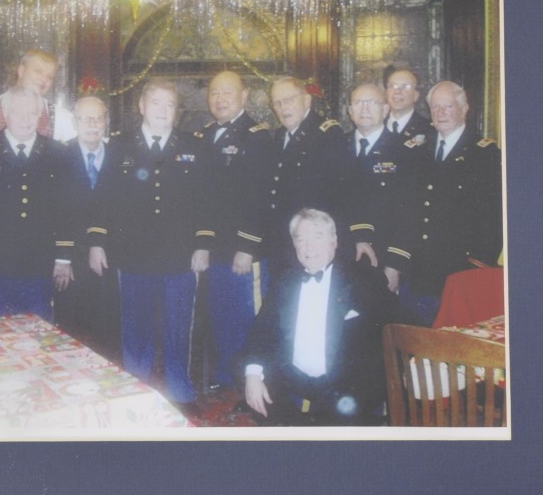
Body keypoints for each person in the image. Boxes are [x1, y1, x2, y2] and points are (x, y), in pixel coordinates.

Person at [87, 78, 212, 405]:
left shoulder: (193, 146)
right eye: (155, 103)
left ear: (176, 111)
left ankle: (178, 384)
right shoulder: (119, 146)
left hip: (179, 256)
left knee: (178, 327)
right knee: (136, 327)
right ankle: (135, 385)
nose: (162, 111)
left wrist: (202, 244)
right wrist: (98, 242)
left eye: (169, 105)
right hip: (133, 255)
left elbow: (205, 199)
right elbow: (104, 198)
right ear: (142, 107)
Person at [240, 209, 402, 426]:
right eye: (301, 240)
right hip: (295, 378)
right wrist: (252, 376)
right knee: (248, 376)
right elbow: (262, 329)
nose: (309, 247)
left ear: (334, 242)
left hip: (344, 387)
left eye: (317, 237)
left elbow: (403, 322)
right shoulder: (286, 281)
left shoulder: (363, 280)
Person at [0, 86, 75, 321]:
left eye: (32, 113)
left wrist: (63, 256)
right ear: (5, 114)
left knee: (39, 330)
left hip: (39, 261)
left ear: (41, 116)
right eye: (18, 113)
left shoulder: (57, 152)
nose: (26, 120)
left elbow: (66, 208)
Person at [400, 80, 503, 323]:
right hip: (417, 271)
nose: (441, 113)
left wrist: (479, 265)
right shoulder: (417, 150)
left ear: (464, 109)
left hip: (459, 272)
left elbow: (495, 216)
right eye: (436, 107)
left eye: (448, 106)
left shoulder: (485, 154)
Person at [196, 71, 273, 390]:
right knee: (221, 317)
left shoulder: (257, 136)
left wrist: (248, 246)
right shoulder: (204, 135)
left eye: (228, 92)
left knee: (247, 319)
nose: (220, 98)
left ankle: (251, 383)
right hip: (214, 248)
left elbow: (261, 195)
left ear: (244, 96)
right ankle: (227, 377)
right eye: (214, 92)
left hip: (244, 250)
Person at [236, 75, 351, 273]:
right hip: (283, 241)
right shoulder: (281, 135)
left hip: (313, 245)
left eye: (289, 100)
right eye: (277, 103)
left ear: (306, 100)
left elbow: (339, 195)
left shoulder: (327, 134)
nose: (283, 108)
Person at [53, 94, 122, 359]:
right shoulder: (58, 155)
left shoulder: (119, 154)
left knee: (108, 332)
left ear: (106, 121)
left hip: (109, 257)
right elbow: (54, 212)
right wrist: (62, 258)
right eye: (86, 118)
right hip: (71, 260)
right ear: (75, 121)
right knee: (68, 334)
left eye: (99, 117)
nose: (93, 123)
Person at [346, 81, 420, 296]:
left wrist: (395, 264)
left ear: (386, 109)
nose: (364, 108)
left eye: (372, 103)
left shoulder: (404, 152)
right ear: (350, 111)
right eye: (358, 103)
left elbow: (410, 214)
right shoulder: (336, 148)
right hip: (345, 256)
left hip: (384, 258)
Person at [0, 48, 75, 157]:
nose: (44, 80)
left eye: (50, 77)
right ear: (21, 70)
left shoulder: (60, 117)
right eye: (38, 71)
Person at [383, 66, 435, 154]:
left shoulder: (429, 130)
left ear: (416, 95)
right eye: (393, 86)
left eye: (405, 86)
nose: (398, 91)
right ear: (386, 93)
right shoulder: (376, 126)